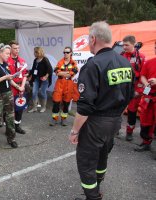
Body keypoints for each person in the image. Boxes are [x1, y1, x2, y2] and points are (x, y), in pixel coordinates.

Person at [70, 21, 134, 200]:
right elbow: (129, 95)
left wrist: (75, 131)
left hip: (95, 122)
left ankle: (93, 196)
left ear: (93, 38)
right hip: (114, 121)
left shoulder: (93, 65)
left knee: (86, 162)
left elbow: (85, 106)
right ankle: (98, 185)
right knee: (102, 156)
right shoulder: (124, 62)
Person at [122, 35, 145, 141]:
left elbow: (143, 75)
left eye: (127, 45)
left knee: (132, 111)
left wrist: (139, 91)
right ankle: (115, 128)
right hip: (123, 87)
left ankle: (129, 131)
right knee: (118, 108)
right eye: (123, 45)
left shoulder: (141, 57)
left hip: (135, 88)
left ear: (134, 44)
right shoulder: (121, 55)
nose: (124, 47)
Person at [135, 41, 156, 152]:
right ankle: (146, 142)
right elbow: (142, 76)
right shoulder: (150, 62)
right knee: (145, 120)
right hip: (149, 94)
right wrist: (146, 83)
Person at [50, 47, 78, 126]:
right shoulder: (60, 62)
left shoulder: (74, 63)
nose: (65, 53)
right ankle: (54, 118)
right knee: (56, 102)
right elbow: (56, 71)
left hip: (69, 85)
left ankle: (63, 119)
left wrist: (63, 73)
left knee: (66, 103)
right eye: (64, 52)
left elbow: (73, 72)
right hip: (59, 84)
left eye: (67, 52)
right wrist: (67, 73)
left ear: (71, 53)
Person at [8, 40, 27, 134]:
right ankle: (9, 128)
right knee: (10, 109)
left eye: (18, 48)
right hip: (11, 87)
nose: (17, 50)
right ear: (10, 49)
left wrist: (22, 87)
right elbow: (8, 77)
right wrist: (17, 86)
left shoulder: (22, 61)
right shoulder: (6, 61)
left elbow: (25, 75)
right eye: (15, 48)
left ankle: (17, 126)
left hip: (20, 87)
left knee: (20, 107)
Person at [28, 47, 53, 113]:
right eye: (34, 52)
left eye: (36, 52)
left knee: (42, 92)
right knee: (34, 92)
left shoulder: (45, 59)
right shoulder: (35, 60)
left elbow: (50, 69)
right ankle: (34, 107)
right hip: (36, 79)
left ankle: (43, 107)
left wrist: (45, 76)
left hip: (44, 79)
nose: (35, 53)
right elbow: (33, 69)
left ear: (40, 52)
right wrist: (29, 76)